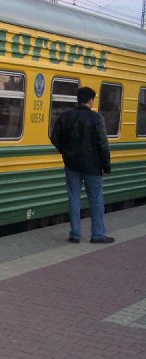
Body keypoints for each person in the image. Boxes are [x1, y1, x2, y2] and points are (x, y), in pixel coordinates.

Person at [50, 86, 114, 244]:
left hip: (72, 164)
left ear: (78, 100)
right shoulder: (96, 118)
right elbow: (103, 145)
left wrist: (65, 151)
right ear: (91, 100)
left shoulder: (66, 116)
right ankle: (97, 234)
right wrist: (106, 166)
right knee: (96, 199)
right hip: (93, 166)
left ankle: (75, 234)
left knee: (73, 197)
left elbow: (54, 136)